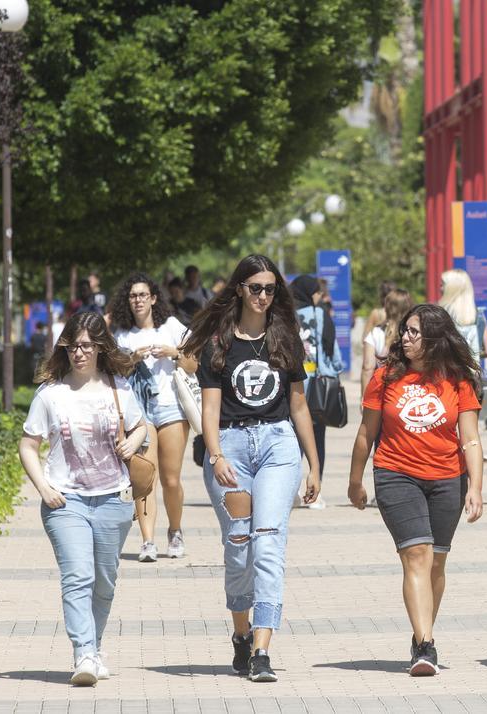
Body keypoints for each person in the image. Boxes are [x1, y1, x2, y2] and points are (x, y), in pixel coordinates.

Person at [180, 254, 322, 683]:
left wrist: (314, 464)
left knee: (268, 544)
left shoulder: (286, 338)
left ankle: (262, 649)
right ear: (239, 289)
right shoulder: (219, 343)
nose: (263, 296)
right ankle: (241, 633)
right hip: (232, 447)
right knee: (239, 547)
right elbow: (209, 407)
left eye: (270, 289)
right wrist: (216, 455)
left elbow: (299, 404)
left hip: (278, 444)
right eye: (256, 287)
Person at [347, 303, 485, 676]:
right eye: (404, 331)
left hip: (447, 478)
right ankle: (426, 645)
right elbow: (366, 433)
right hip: (396, 474)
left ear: (435, 338)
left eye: (414, 332)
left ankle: (421, 634)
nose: (404, 338)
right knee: (417, 555)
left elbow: (470, 439)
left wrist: (476, 487)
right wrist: (355, 480)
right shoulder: (386, 376)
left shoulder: (457, 379)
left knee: (436, 562)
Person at [18, 312, 148, 686]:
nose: (79, 352)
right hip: (65, 501)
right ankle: (84, 655)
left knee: (104, 581)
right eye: (73, 345)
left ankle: (96, 645)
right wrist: (43, 487)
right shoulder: (50, 393)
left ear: (101, 347)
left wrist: (134, 441)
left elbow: (142, 425)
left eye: (87, 345)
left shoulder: (118, 388)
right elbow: (28, 445)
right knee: (78, 577)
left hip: (114, 499)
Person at [108, 273, 193, 562]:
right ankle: (147, 541)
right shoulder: (121, 335)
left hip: (170, 409)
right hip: (138, 413)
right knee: (144, 477)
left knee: (170, 479)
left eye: (143, 295)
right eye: (133, 296)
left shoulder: (170, 326)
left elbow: (194, 363)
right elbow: (112, 372)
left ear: (154, 298)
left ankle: (176, 530)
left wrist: (173, 352)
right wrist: (131, 359)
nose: (138, 300)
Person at [291, 274, 346, 510]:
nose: (319, 297)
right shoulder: (320, 314)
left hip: (294, 384)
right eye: (317, 293)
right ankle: (316, 490)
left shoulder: (287, 314)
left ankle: (291, 489)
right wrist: (335, 370)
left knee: (293, 439)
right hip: (319, 386)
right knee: (317, 439)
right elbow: (331, 348)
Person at [361, 288, 414, 396]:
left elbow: (368, 367)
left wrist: (364, 396)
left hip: (382, 390)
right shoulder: (412, 333)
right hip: (408, 389)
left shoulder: (376, 332)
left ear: (387, 307)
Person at [438, 269, 487, 360]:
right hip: (471, 372)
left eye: (442, 284)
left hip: (444, 371)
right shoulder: (478, 315)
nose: (440, 288)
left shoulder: (439, 314)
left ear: (452, 288)